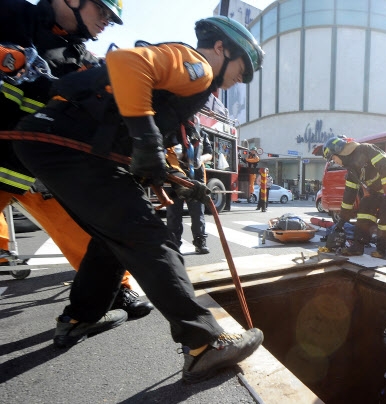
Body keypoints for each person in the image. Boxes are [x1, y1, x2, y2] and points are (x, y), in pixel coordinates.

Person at [11, 16, 265, 383]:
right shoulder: (195, 67)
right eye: (244, 68)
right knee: (149, 239)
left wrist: (173, 179)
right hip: (70, 147)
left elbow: (128, 135)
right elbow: (127, 63)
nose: (242, 78)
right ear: (222, 49)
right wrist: (146, 139)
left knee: (111, 238)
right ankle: (203, 343)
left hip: (55, 146)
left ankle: (79, 317)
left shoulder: (185, 88)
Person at [0, 0, 153, 318]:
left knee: (90, 231)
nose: (105, 23)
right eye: (103, 12)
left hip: (42, 166)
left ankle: (115, 291)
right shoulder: (10, 14)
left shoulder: (82, 58)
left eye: (111, 19)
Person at [322, 137, 386, 258]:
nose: (334, 161)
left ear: (339, 152)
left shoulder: (365, 150)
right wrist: (342, 220)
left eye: (333, 158)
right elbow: (349, 195)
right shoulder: (351, 170)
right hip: (377, 189)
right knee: (364, 210)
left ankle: (382, 250)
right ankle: (358, 247)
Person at [165, 123, 213, 254]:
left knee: (198, 211)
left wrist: (199, 159)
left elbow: (210, 153)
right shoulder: (170, 128)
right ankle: (174, 244)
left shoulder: (200, 132)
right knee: (173, 213)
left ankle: (200, 241)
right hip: (175, 176)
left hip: (196, 176)